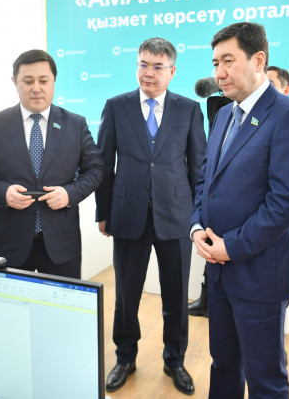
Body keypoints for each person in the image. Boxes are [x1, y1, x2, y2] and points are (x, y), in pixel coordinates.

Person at [191, 22, 289, 398]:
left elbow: (286, 203)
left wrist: (230, 246)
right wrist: (196, 226)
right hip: (219, 272)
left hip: (260, 273)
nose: (219, 73)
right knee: (224, 365)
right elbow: (205, 181)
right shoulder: (223, 115)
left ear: (258, 60)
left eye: (228, 61)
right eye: (215, 63)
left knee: (265, 379)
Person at [95, 37, 206, 395]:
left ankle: (175, 360)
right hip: (127, 216)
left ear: (172, 71)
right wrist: (103, 212)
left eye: (158, 67)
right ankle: (125, 357)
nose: (149, 73)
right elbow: (103, 164)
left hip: (177, 216)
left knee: (176, 296)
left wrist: (198, 217)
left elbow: (198, 168)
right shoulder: (116, 107)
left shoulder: (189, 110)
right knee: (126, 297)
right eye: (143, 65)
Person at [0, 49, 104, 279]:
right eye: (28, 81)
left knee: (62, 301)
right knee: (11, 301)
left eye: (43, 81)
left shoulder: (75, 124)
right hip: (10, 242)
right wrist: (3, 192)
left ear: (53, 81)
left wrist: (69, 194)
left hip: (62, 243)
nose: (36, 88)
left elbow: (95, 169)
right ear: (15, 82)